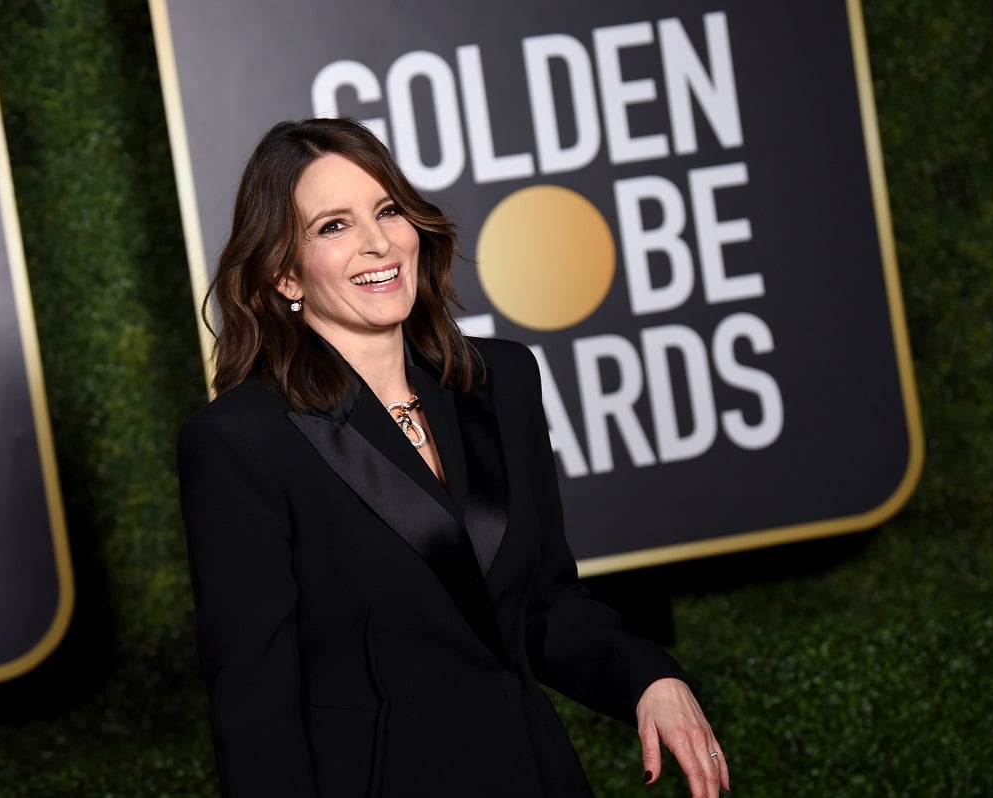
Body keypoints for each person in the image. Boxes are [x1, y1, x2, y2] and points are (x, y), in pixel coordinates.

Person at [177, 117, 731, 798]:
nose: (378, 242)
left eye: (387, 210)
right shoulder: (240, 440)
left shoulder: (501, 381)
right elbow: (255, 703)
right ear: (283, 275)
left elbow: (542, 604)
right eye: (333, 226)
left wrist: (649, 676)